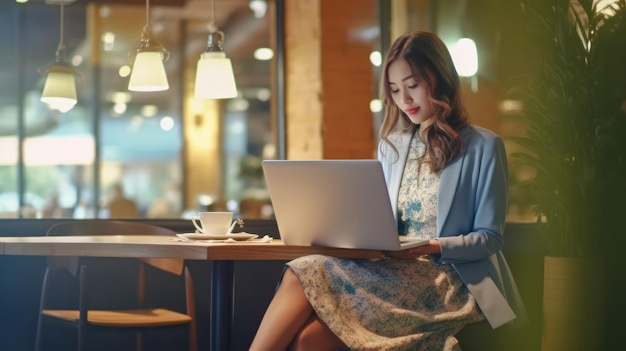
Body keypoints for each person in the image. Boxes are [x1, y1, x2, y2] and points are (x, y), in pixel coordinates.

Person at [249, 31, 527, 351]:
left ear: (440, 78)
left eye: (412, 86)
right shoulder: (392, 146)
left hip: (448, 282)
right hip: (392, 271)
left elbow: (490, 238)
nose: (404, 100)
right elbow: (382, 220)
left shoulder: (484, 146)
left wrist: (431, 245)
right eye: (395, 90)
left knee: (305, 276)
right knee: (307, 316)